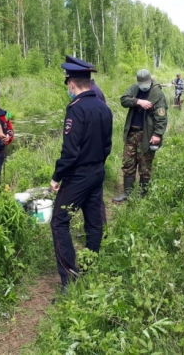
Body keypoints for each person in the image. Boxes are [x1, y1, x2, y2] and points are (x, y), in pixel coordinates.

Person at [50, 56, 113, 291]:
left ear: (71, 84)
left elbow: (70, 151)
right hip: (97, 172)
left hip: (78, 176)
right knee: (94, 222)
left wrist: (57, 177)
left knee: (59, 222)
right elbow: (107, 145)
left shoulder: (76, 110)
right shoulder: (104, 107)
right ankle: (90, 268)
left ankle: (69, 278)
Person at [113, 69, 168, 202]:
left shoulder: (157, 93)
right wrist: (138, 101)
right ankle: (128, 193)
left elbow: (161, 117)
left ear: (150, 80)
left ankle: (143, 195)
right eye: (141, 83)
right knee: (128, 162)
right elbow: (124, 100)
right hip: (132, 133)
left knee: (145, 164)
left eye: (145, 82)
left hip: (147, 134)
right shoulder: (134, 88)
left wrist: (157, 134)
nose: (143, 85)